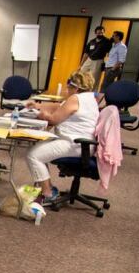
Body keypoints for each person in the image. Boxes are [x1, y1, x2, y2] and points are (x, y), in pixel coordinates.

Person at [24, 70, 99, 205]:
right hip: (83, 144)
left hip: (74, 143)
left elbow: (53, 120)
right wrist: (39, 105)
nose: (66, 90)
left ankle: (48, 193)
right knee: (40, 149)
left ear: (75, 88)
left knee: (33, 155)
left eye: (68, 87)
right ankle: (48, 188)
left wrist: (41, 114)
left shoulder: (75, 98)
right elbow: (61, 106)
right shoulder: (89, 98)